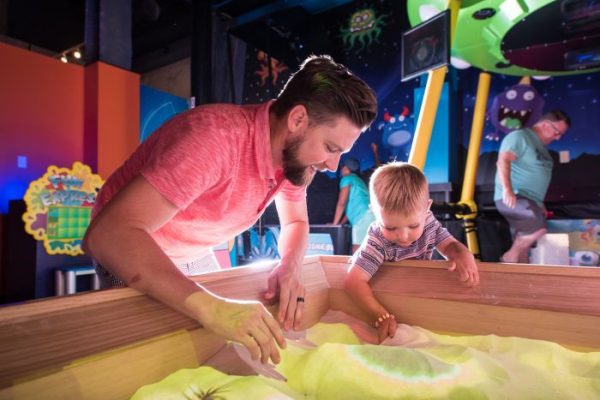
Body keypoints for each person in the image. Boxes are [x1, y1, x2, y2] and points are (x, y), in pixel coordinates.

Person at [83, 55, 378, 365]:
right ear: (297, 120)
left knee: (214, 344)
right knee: (145, 359)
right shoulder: (213, 140)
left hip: (192, 248)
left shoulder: (294, 159)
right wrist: (211, 308)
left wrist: (290, 267)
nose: (333, 165)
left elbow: (295, 223)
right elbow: (108, 235)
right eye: (331, 148)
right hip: (134, 245)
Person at [344, 162, 480, 343]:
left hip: (417, 299)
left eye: (413, 226)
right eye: (390, 227)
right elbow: (353, 282)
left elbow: (448, 245)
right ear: (375, 213)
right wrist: (380, 315)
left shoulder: (429, 222)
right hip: (387, 300)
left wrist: (461, 253)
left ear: (427, 209)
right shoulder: (377, 238)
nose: (403, 236)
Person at [494, 110, 570, 263]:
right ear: (544, 124)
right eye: (557, 132)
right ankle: (509, 255)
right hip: (515, 197)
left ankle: (519, 278)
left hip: (531, 200)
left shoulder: (541, 147)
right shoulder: (520, 137)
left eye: (561, 134)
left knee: (525, 248)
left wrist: (540, 204)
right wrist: (507, 191)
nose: (558, 137)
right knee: (538, 229)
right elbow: (503, 161)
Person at [331, 157, 375, 253]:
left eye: (343, 166)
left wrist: (334, 224)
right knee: (369, 249)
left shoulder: (347, 179)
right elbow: (350, 210)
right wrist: (340, 223)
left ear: (346, 168)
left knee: (357, 251)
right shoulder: (358, 180)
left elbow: (341, 203)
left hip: (362, 217)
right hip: (370, 215)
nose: (342, 169)